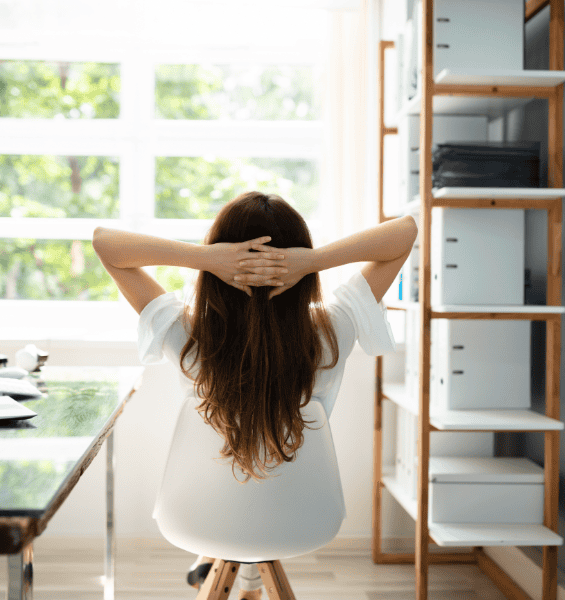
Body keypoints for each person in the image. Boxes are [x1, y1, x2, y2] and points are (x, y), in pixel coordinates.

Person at [94, 191, 418, 598]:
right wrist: (311, 261)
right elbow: (405, 233)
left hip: (199, 517)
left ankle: (218, 561)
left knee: (228, 483)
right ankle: (244, 576)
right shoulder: (332, 330)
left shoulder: (189, 334)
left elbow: (105, 243)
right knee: (261, 487)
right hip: (301, 517)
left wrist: (208, 258)